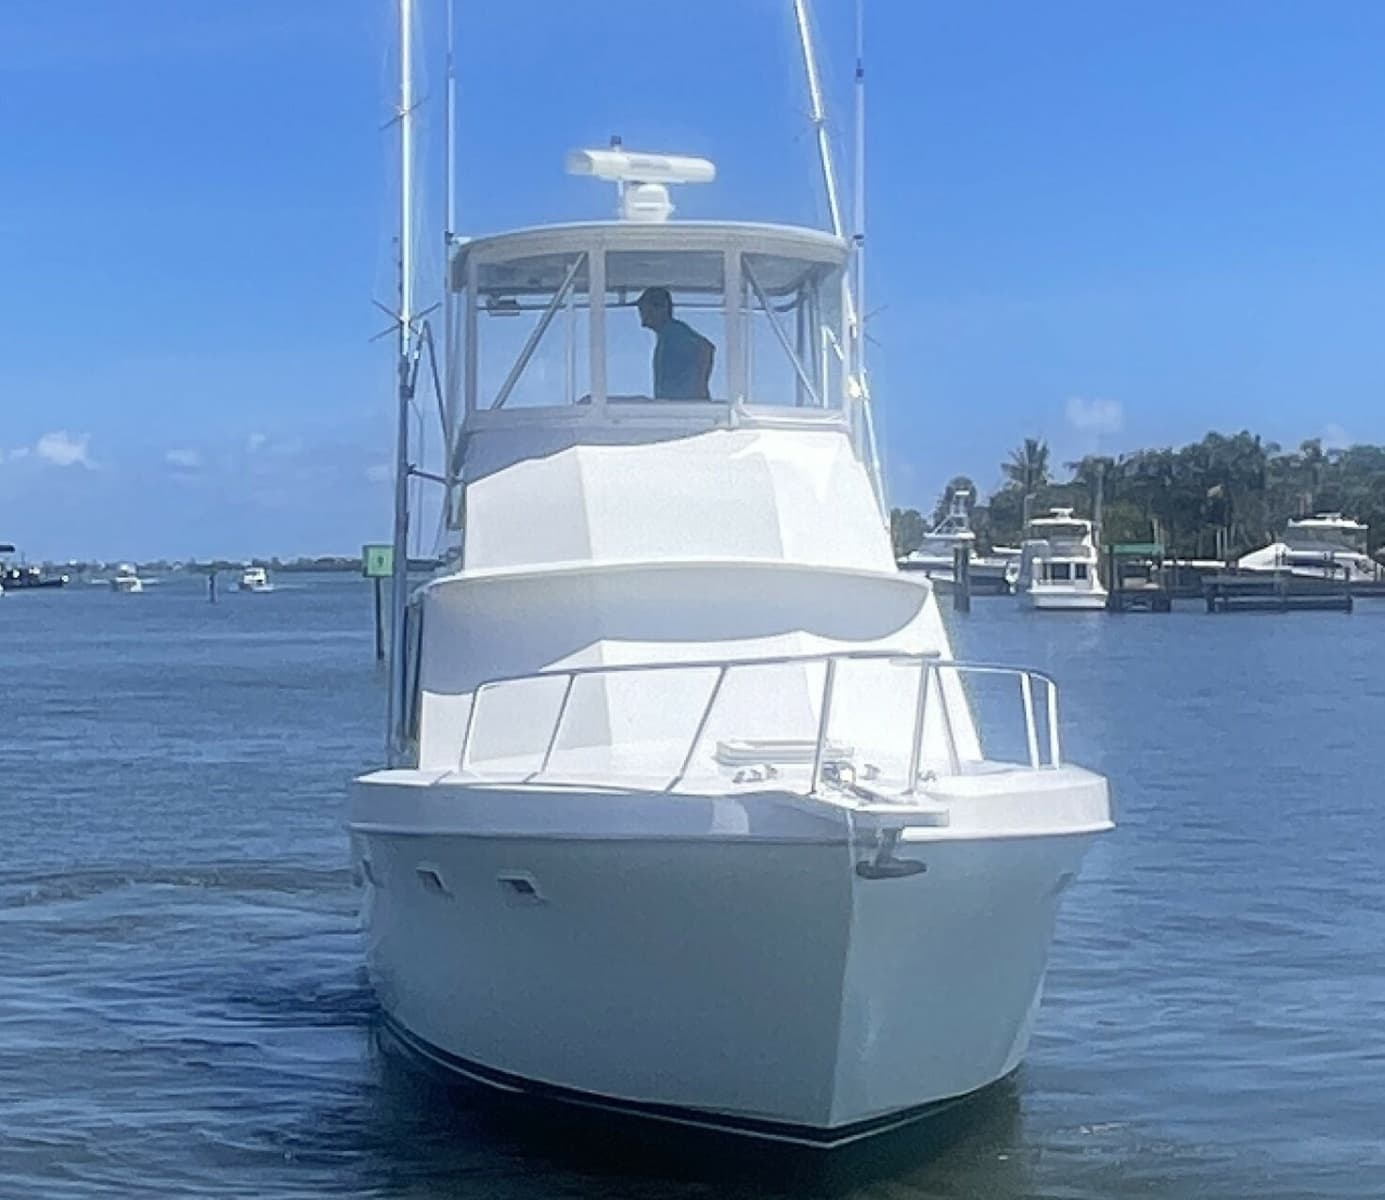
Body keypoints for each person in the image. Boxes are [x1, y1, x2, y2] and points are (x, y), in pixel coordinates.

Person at [635, 287, 714, 400]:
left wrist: (699, 389)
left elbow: (706, 348)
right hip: (674, 406)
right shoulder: (666, 334)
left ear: (662, 308)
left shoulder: (674, 331)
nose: (642, 313)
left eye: (645, 308)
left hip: (685, 407)